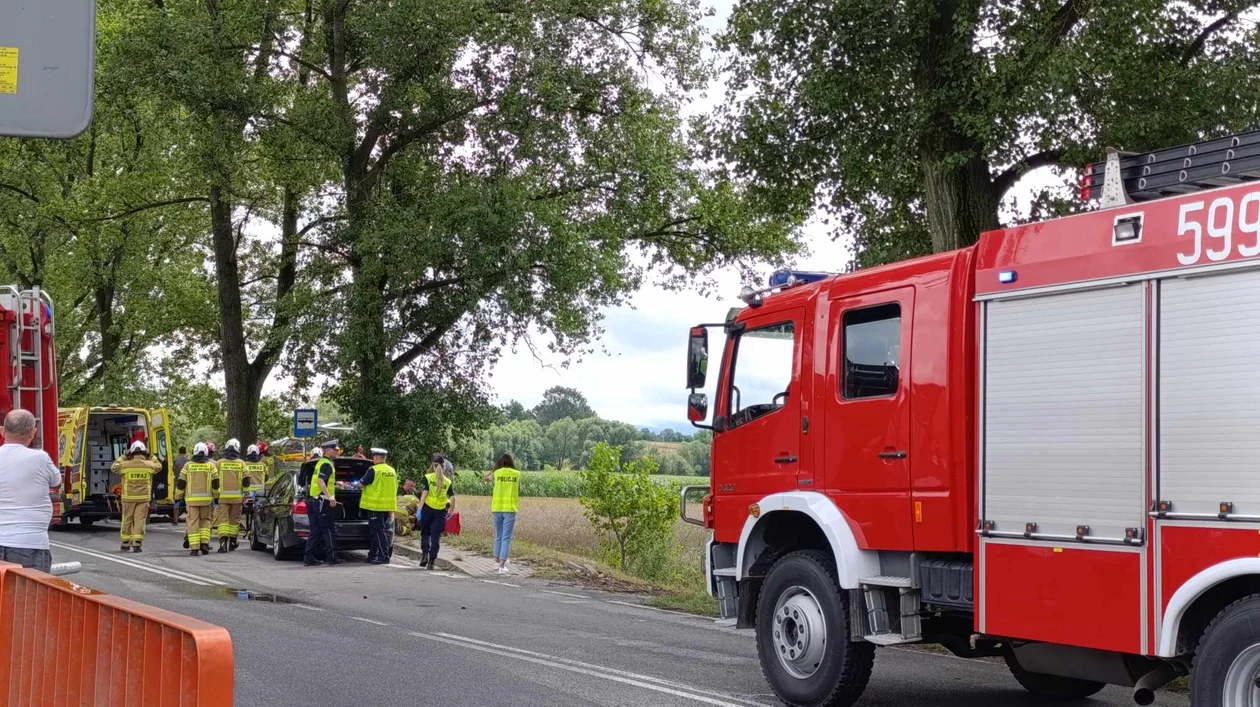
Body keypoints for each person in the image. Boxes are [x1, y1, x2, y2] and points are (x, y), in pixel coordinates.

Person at [0, 410, 61, 572]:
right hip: (29, 545)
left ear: (2, 431)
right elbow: (57, 481)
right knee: (29, 597)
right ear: (32, 432)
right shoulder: (40, 458)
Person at [112, 440, 162, 553]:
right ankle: (136, 544)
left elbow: (113, 467)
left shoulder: (125, 465)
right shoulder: (149, 465)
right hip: (143, 498)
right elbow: (159, 466)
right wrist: (151, 455)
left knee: (127, 519)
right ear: (144, 452)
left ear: (131, 453)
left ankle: (125, 543)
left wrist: (125, 455)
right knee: (139, 520)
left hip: (128, 497)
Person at [175, 443, 219, 556]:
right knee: (205, 521)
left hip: (192, 501)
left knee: (193, 522)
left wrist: (178, 498)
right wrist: (216, 497)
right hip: (206, 501)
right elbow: (216, 483)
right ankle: (204, 544)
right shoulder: (210, 466)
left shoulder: (187, 466)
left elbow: (181, 483)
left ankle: (194, 548)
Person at [304, 440, 343, 567]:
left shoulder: (321, 462)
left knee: (315, 531)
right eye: (334, 449)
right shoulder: (326, 464)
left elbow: (320, 481)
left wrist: (337, 484)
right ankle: (332, 557)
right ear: (326, 450)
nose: (336, 451)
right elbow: (321, 481)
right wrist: (330, 496)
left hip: (313, 500)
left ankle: (309, 557)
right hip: (321, 501)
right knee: (328, 529)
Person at [359, 447, 398, 565]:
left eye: (373, 457)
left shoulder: (374, 470)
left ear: (376, 458)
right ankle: (372, 555)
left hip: (375, 506)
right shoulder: (392, 470)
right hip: (387, 506)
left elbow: (361, 484)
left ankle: (384, 556)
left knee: (379, 532)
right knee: (378, 531)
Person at [484, 453, 521, 575]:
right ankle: (502, 565)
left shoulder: (496, 473)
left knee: (498, 535)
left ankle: (496, 562)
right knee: (506, 537)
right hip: (510, 508)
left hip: (497, 507)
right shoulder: (517, 474)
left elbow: (486, 479)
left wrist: (490, 474)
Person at [418, 453, 455, 570]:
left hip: (427, 509)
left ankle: (424, 554)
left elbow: (424, 493)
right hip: (440, 512)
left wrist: (419, 509)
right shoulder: (447, 482)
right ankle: (432, 562)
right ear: (443, 467)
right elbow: (453, 497)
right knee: (435, 537)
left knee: (425, 533)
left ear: (433, 466)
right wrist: (451, 511)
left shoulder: (428, 478)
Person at [214, 439, 250, 552]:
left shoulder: (219, 463)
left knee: (223, 520)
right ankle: (233, 542)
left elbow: (214, 480)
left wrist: (215, 494)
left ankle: (223, 543)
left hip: (222, 498)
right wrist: (246, 494)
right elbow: (246, 481)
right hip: (237, 498)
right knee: (234, 520)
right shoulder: (241, 463)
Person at [243, 444, 266, 538]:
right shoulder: (263, 465)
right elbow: (267, 477)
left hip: (249, 493)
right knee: (259, 512)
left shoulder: (245, 464)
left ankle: (248, 529)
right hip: (260, 493)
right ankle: (257, 530)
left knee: (248, 512)